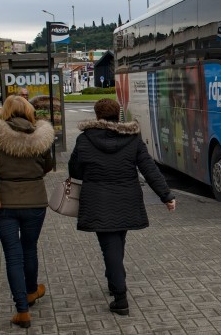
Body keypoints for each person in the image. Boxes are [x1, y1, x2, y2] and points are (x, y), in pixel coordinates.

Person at [68, 98, 176, 316]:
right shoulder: (132, 139)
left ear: (97, 115)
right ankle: (114, 281)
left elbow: (75, 171)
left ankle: (120, 298)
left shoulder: (84, 139)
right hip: (126, 198)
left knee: (109, 246)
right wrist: (166, 196)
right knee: (116, 243)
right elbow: (149, 169)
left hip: (97, 201)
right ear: (118, 115)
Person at [0, 95, 56, 328]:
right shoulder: (41, 136)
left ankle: (22, 310)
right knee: (29, 248)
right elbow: (48, 166)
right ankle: (30, 291)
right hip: (35, 203)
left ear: (6, 111)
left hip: (3, 204)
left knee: (13, 254)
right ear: (28, 111)